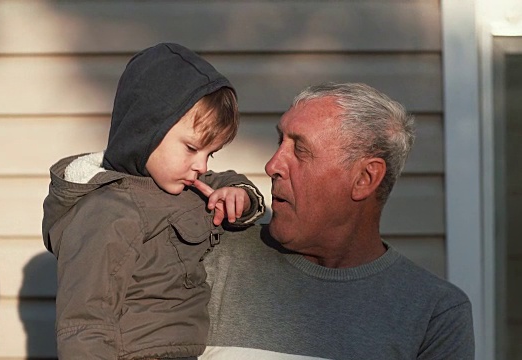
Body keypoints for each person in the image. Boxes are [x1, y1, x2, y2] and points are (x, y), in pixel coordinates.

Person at [200, 82, 475, 359]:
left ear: (364, 179)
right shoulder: (207, 258)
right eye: (280, 141)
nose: (273, 166)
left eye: (300, 150)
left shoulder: (434, 314)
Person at [41, 43, 265, 360]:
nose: (201, 165)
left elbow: (224, 181)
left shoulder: (186, 182)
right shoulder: (108, 211)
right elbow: (85, 321)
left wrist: (239, 196)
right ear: (146, 131)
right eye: (191, 148)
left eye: (209, 153)